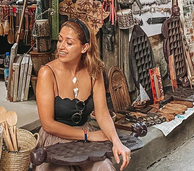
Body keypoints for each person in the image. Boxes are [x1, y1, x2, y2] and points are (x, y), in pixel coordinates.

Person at [36, 18, 130, 171]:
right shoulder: (47, 73)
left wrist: (116, 141)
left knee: (104, 168)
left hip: (84, 137)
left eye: (69, 42)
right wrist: (88, 135)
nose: (61, 46)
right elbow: (48, 124)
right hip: (55, 140)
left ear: (84, 48)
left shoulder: (95, 71)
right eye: (60, 40)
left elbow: (103, 113)